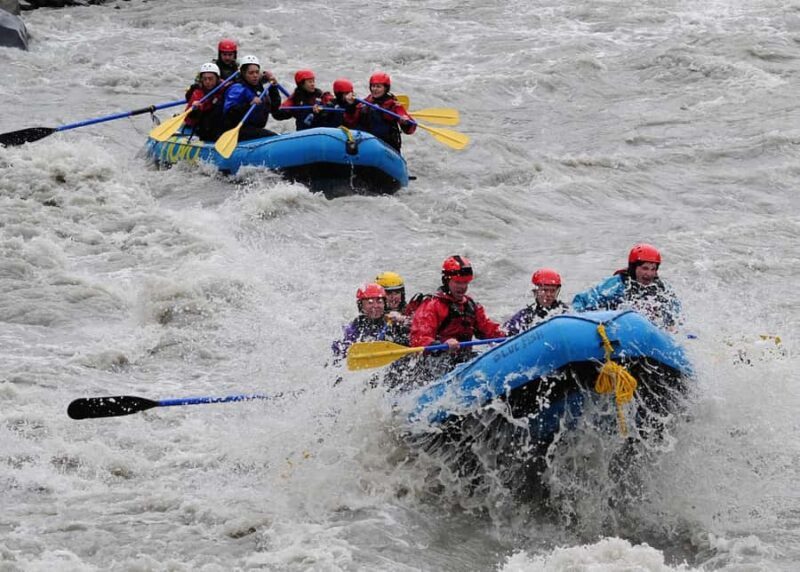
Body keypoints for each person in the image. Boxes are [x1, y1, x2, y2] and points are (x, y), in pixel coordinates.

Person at [572, 243, 682, 330]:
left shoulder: (661, 290)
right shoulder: (617, 284)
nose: (649, 274)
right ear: (634, 268)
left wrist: (672, 326)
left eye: (653, 269)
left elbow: (675, 315)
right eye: (645, 268)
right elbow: (581, 301)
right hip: (619, 329)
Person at [410, 255, 505, 356]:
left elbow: (489, 332)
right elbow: (418, 339)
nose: (463, 287)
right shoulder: (431, 305)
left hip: (464, 361)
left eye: (465, 282)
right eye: (458, 282)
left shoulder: (471, 306)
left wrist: (507, 334)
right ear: (446, 281)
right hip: (437, 363)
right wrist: (442, 345)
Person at [331, 283, 408, 362]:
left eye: (379, 301)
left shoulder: (393, 323)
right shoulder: (352, 329)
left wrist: (404, 321)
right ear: (361, 306)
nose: (375, 306)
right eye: (370, 302)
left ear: (384, 304)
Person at [222, 55, 282, 141]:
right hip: (238, 131)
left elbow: (274, 108)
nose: (255, 76)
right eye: (251, 73)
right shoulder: (237, 88)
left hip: (255, 129)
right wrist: (249, 104)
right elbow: (229, 114)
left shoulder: (258, 87)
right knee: (272, 137)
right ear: (243, 73)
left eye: (257, 72)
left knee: (270, 135)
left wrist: (273, 88)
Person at [356, 72, 416, 152]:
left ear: (385, 88)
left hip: (387, 145)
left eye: (378, 86)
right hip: (368, 142)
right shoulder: (367, 101)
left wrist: (406, 122)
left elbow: (410, 127)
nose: (375, 89)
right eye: (373, 86)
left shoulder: (393, 104)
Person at [504, 268, 570, 335]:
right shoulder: (525, 316)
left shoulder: (564, 311)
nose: (549, 294)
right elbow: (506, 333)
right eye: (545, 290)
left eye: (552, 291)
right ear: (535, 292)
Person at [184, 62, 225, 142]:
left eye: (210, 78)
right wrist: (196, 108)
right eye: (205, 79)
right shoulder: (198, 92)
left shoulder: (224, 86)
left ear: (217, 78)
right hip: (200, 124)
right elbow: (191, 117)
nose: (207, 82)